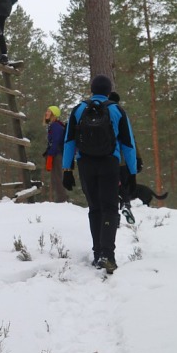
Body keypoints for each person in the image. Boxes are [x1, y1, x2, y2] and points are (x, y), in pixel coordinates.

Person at [62, 75, 137, 274]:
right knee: (110, 208)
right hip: (109, 163)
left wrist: (66, 170)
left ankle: (97, 255)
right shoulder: (116, 109)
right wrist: (132, 171)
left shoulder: (78, 109)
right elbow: (128, 143)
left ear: (92, 89)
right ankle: (107, 255)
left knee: (95, 208)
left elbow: (69, 141)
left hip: (85, 163)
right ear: (108, 90)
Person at [108, 91, 143, 225]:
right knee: (124, 186)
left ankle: (114, 217)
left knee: (111, 188)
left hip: (107, 160)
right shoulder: (121, 115)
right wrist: (137, 160)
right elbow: (131, 142)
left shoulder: (103, 115)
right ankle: (125, 205)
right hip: (123, 161)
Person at [42, 106, 66, 202]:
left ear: (54, 114)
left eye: (49, 111)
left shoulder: (55, 126)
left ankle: (61, 200)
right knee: (55, 178)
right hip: (56, 154)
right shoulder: (54, 125)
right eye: (47, 111)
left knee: (57, 177)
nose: (46, 113)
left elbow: (56, 141)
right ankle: (60, 199)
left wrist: (51, 154)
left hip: (56, 155)